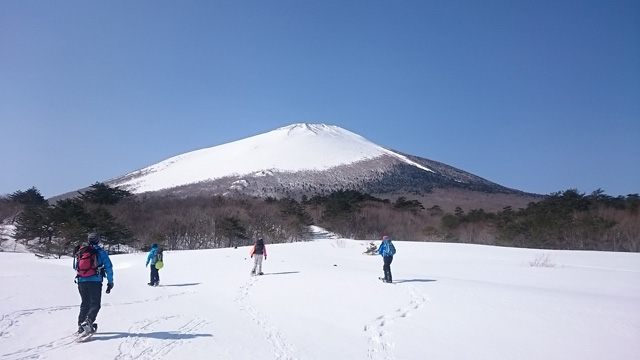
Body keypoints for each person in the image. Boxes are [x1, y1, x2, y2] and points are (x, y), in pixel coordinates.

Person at [73, 232, 114, 336]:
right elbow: (109, 267)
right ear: (98, 240)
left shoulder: (81, 251)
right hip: (95, 281)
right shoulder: (100, 252)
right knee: (95, 303)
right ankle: (88, 322)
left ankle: (81, 325)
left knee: (85, 303)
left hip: (81, 281)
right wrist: (110, 282)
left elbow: (75, 266)